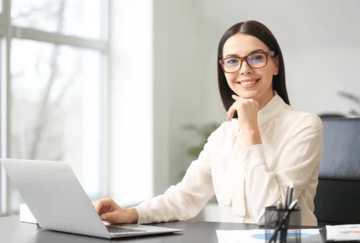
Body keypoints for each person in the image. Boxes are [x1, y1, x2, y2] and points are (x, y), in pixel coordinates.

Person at [94, 20, 323, 226]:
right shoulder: (223, 135)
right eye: (232, 61)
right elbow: (185, 198)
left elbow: (273, 216)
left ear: (275, 64)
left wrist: (250, 130)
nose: (244, 69)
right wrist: (131, 213)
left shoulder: (304, 126)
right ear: (223, 69)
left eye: (256, 57)